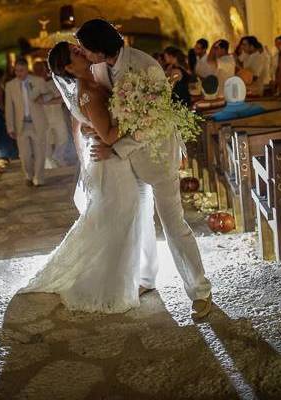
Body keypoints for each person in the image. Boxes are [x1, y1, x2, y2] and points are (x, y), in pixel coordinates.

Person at [77, 19, 212, 318]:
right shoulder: (99, 69)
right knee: (138, 220)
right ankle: (146, 277)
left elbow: (155, 122)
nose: (84, 55)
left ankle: (200, 291)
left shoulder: (144, 65)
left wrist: (115, 147)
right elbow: (108, 114)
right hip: (125, 163)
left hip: (156, 155)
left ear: (100, 48)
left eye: (86, 50)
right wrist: (95, 132)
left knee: (174, 224)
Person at [21, 41, 152, 313]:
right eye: (76, 53)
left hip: (110, 162)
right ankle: (115, 283)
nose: (81, 51)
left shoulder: (93, 81)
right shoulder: (89, 92)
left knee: (118, 218)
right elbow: (108, 136)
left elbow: (87, 124)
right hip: (111, 164)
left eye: (79, 48)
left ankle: (132, 275)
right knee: (122, 217)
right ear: (69, 67)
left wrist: (90, 128)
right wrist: (142, 117)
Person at [5, 59, 49, 187]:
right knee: (25, 155)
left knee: (40, 152)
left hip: (37, 122)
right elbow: (9, 107)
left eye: (21, 70)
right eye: (16, 70)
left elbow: (49, 95)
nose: (18, 73)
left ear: (26, 69)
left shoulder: (38, 81)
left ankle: (38, 178)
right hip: (21, 124)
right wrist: (10, 127)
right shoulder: (10, 86)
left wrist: (42, 98)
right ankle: (28, 175)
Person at [34, 61, 71, 168]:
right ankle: (49, 162)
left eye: (41, 69)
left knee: (62, 138)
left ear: (45, 70)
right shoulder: (34, 85)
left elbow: (63, 98)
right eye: (37, 70)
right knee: (46, 141)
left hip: (57, 115)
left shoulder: (54, 82)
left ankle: (58, 157)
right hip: (43, 118)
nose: (40, 72)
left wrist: (47, 102)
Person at [0, 68, 18, 161]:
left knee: (6, 132)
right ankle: (6, 153)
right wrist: (5, 111)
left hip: (2, 111)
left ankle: (9, 153)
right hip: (1, 113)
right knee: (3, 133)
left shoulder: (0, 86)